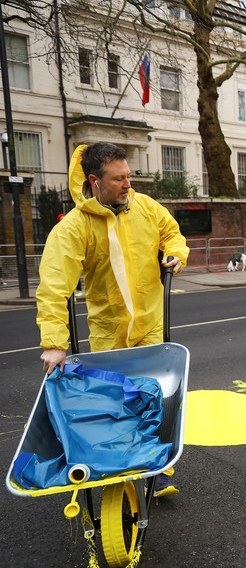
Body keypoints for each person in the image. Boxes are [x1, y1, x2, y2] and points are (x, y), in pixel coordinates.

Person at [36, 142, 189, 497]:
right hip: (108, 331)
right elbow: (54, 286)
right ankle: (118, 465)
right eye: (119, 178)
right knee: (114, 402)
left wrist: (176, 252)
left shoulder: (145, 207)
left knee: (155, 398)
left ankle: (157, 468)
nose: (127, 184)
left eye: (129, 176)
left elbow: (171, 232)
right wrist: (55, 344)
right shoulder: (75, 227)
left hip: (151, 322)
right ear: (95, 181)